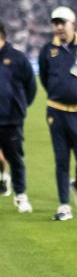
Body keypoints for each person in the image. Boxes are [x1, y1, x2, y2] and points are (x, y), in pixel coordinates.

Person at [38, 6, 77, 222]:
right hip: (56, 112)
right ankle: (64, 205)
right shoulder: (47, 50)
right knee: (61, 159)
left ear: (73, 24)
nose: (59, 27)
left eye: (63, 22)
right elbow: (44, 79)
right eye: (56, 23)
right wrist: (61, 94)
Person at [0, 20, 37, 213]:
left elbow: (31, 87)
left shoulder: (17, 58)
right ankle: (2, 178)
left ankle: (20, 195)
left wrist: (21, 108)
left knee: (15, 158)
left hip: (11, 119)